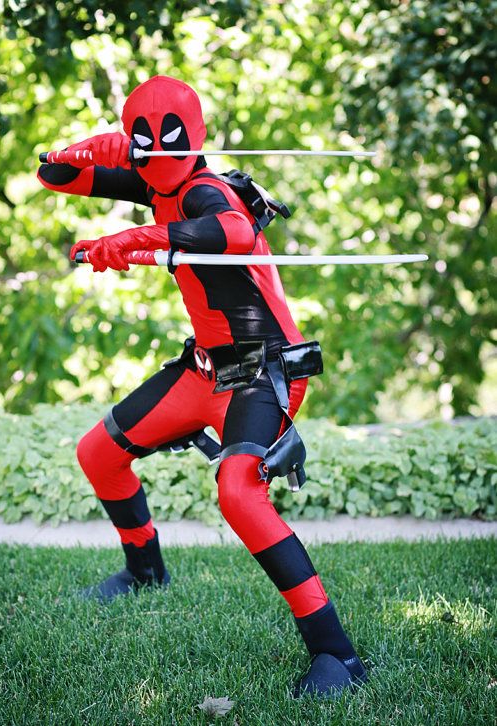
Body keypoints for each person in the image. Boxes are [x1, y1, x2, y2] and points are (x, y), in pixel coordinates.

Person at [37, 75, 367, 698]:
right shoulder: (152, 178)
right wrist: (82, 151)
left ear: (195, 139)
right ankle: (145, 572)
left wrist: (131, 242)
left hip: (262, 374)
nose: (158, 156)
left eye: (167, 143)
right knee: (98, 454)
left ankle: (338, 657)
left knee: (239, 495)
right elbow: (55, 178)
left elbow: (234, 234)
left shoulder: (208, 190)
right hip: (204, 371)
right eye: (145, 146)